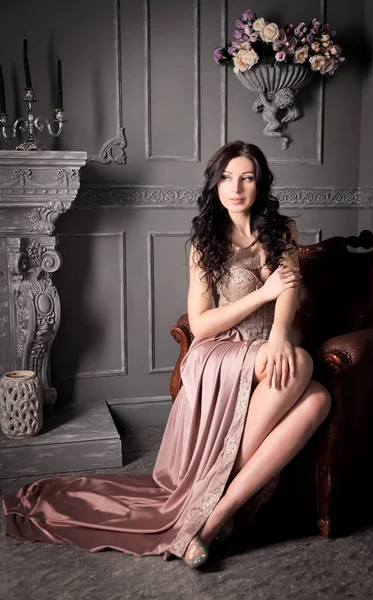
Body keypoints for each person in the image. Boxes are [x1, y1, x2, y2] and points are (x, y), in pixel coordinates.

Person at [2, 140, 331, 569]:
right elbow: (201, 324)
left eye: (247, 177)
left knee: (319, 398)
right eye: (227, 178)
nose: (236, 187)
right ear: (215, 185)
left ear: (261, 183)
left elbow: (288, 293)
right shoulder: (205, 241)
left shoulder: (281, 229)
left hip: (265, 349)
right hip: (217, 352)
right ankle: (208, 506)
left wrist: (279, 337)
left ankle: (211, 518)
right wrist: (262, 295)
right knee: (302, 365)